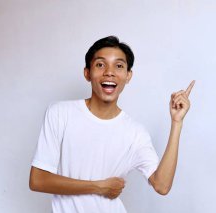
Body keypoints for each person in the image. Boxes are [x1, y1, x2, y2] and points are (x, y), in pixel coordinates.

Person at [29, 36, 195, 212]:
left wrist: (176, 122)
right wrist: (98, 186)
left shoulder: (135, 133)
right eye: (100, 65)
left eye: (119, 66)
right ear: (87, 73)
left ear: (128, 75)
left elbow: (162, 185)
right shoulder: (60, 113)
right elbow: (38, 180)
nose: (109, 72)